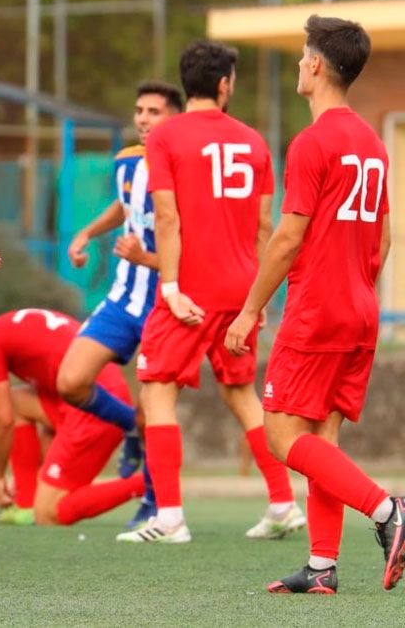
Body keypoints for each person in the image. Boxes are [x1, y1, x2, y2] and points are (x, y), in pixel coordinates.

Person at [224, 15, 402, 594]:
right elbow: (387, 237)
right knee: (321, 441)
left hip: (319, 310)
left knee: (281, 438)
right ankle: (322, 566)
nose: (300, 63)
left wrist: (249, 310)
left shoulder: (313, 141)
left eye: (303, 55)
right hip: (360, 308)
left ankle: (389, 513)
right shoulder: (372, 143)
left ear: (317, 65)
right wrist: (356, 282)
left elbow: (286, 237)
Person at [117, 41, 300, 545]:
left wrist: (171, 286)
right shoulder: (255, 141)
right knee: (242, 394)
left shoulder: (166, 137)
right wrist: (258, 302)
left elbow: (168, 217)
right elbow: (266, 227)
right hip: (242, 290)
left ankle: (170, 517)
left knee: (156, 391)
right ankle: (284, 503)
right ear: (224, 85)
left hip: (190, 291)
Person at [59, 80, 182, 529]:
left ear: (175, 120)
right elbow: (125, 206)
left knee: (158, 408)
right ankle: (129, 426)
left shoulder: (186, 170)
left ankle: (154, 502)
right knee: (69, 380)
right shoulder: (128, 160)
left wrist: (145, 258)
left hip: (164, 307)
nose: (144, 119)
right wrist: (87, 233)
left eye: (155, 112)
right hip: (122, 300)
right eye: (140, 111)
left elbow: (190, 246)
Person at [0, 310, 146, 526]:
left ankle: (149, 482)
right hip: (103, 396)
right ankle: (25, 506)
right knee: (17, 401)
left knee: (49, 514)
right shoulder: (13, 323)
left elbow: (2, 420)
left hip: (95, 407)